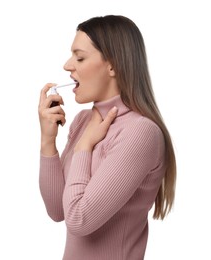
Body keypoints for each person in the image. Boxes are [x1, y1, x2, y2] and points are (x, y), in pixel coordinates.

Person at [38, 15, 176, 260]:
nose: (68, 65)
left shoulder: (141, 132)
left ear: (112, 66)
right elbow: (58, 211)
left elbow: (79, 219)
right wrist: (48, 142)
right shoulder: (83, 122)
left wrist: (84, 147)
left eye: (79, 57)